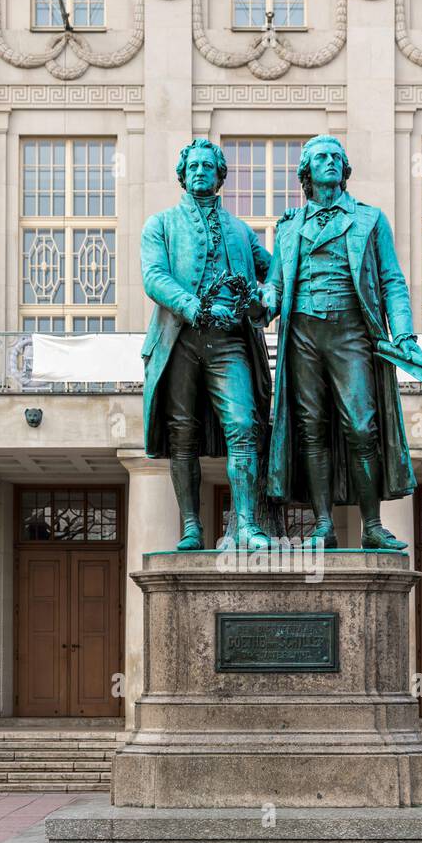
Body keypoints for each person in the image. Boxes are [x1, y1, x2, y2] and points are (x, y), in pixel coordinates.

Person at [262, 134, 420, 549]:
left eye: (336, 157)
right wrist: (259, 301)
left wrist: (403, 333)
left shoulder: (370, 219)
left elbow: (392, 282)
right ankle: (322, 525)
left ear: (344, 170)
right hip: (303, 336)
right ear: (306, 172)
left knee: (362, 426)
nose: (330, 162)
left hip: (351, 332)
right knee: (311, 429)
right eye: (320, 158)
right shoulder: (289, 226)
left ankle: (372, 525)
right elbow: (275, 287)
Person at [141, 138, 272, 550]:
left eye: (208, 167)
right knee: (182, 434)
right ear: (183, 174)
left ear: (220, 176)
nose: (200, 172)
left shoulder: (240, 231)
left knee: (245, 426)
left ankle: (247, 525)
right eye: (193, 166)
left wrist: (262, 299)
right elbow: (154, 277)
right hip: (180, 339)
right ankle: (192, 525)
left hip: (229, 341)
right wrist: (192, 305)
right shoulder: (160, 225)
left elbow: (274, 278)